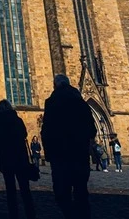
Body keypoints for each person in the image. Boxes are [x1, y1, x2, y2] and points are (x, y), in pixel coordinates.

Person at [41, 74, 96, 219]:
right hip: (79, 153)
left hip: (60, 155)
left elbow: (46, 130)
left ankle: (70, 215)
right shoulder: (80, 102)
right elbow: (92, 128)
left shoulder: (52, 102)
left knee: (61, 192)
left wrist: (48, 153)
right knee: (81, 191)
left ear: (55, 85)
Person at [0, 99, 36, 219]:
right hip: (20, 158)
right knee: (25, 189)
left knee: (10, 190)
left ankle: (14, 215)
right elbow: (24, 134)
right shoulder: (17, 120)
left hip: (7, 158)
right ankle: (31, 214)